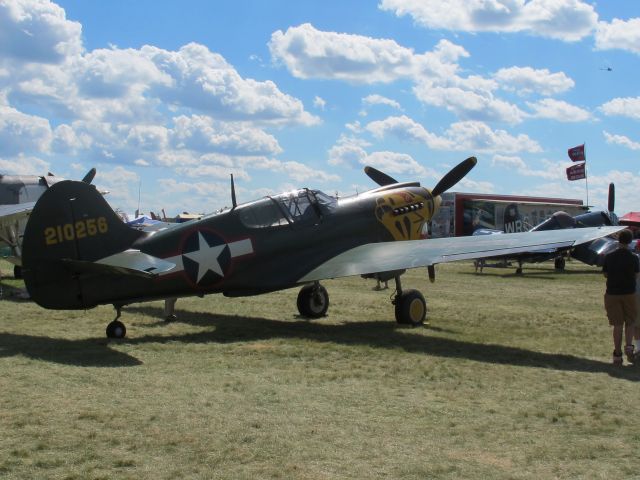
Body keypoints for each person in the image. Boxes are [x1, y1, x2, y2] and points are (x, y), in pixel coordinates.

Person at [603, 229, 640, 365]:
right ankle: (629, 347)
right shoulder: (634, 257)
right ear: (630, 241)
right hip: (629, 293)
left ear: (619, 240)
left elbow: (605, 274)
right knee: (630, 322)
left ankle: (617, 354)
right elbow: (636, 275)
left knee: (617, 325)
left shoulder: (609, 256)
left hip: (612, 293)